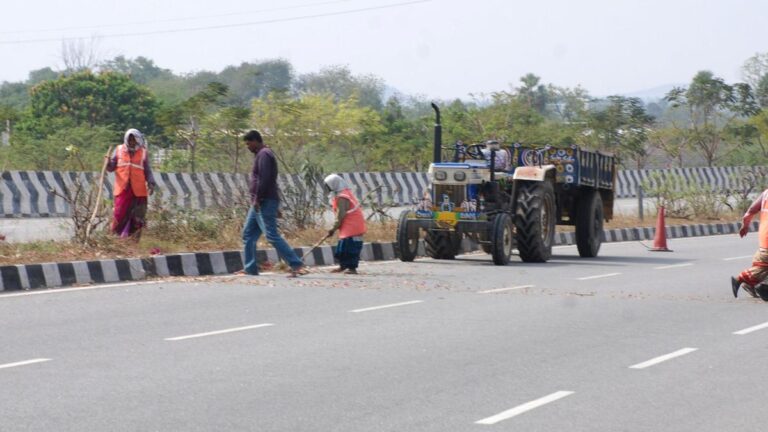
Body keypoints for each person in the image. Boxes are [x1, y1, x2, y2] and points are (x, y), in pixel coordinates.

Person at [238, 130, 307, 277]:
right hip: (260, 202)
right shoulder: (261, 155)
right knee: (248, 234)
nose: (248, 147)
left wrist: (258, 198)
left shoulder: (264, 154)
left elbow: (265, 179)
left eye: (249, 143)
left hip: (263, 201)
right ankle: (250, 268)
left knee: (271, 235)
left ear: (256, 140)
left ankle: (296, 264)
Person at [106, 128, 156, 239]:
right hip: (122, 190)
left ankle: (133, 240)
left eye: (134, 140)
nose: (132, 142)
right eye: (130, 140)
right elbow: (111, 167)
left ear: (138, 140)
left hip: (139, 191)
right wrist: (108, 163)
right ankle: (115, 239)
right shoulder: (118, 150)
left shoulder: (143, 152)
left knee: (137, 218)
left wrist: (151, 183)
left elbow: (147, 170)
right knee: (119, 215)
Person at [324, 174, 367, 274]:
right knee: (342, 248)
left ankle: (352, 268)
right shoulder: (343, 193)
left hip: (353, 225)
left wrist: (333, 229)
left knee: (350, 248)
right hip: (348, 225)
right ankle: (343, 266)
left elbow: (341, 215)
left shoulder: (343, 197)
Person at [732, 188, 768, 300]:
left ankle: (750, 284)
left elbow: (752, 209)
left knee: (762, 264)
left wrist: (745, 224)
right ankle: (762, 286)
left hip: (764, 236)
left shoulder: (766, 193)